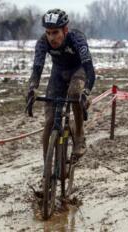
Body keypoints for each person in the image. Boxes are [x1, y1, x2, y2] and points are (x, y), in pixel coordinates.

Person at [27, 9, 96, 160]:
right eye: (48, 32)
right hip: (58, 73)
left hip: (78, 70)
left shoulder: (77, 39)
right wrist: (31, 89)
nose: (51, 37)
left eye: (55, 32)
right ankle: (46, 171)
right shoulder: (43, 42)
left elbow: (90, 69)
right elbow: (37, 68)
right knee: (50, 121)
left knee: (74, 93)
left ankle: (79, 136)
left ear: (65, 30)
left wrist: (86, 92)